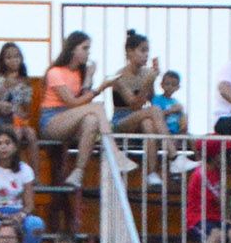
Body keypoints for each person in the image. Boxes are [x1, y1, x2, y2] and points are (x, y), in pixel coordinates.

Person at [39, 31, 121, 188]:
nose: (87, 53)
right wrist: (100, 88)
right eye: (84, 48)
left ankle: (78, 171)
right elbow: (72, 103)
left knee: (91, 120)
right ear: (72, 49)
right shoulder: (55, 72)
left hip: (71, 119)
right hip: (52, 120)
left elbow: (83, 102)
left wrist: (89, 77)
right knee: (96, 107)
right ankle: (114, 151)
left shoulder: (78, 73)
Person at [107, 30, 171, 189]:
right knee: (152, 111)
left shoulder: (147, 73)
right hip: (122, 119)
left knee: (149, 123)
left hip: (141, 116)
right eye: (142, 50)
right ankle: (174, 154)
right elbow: (134, 104)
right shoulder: (119, 77)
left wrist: (152, 80)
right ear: (130, 52)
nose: (146, 55)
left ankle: (151, 173)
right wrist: (148, 81)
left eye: (147, 51)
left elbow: (151, 99)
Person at [0, 41, 39, 158]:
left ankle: (35, 175)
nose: (13, 60)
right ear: (2, 61)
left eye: (16, 56)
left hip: (16, 120)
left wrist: (20, 113)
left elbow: (27, 111)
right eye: (8, 57)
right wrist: (5, 86)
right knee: (16, 132)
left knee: (31, 133)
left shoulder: (25, 82)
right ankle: (11, 166)